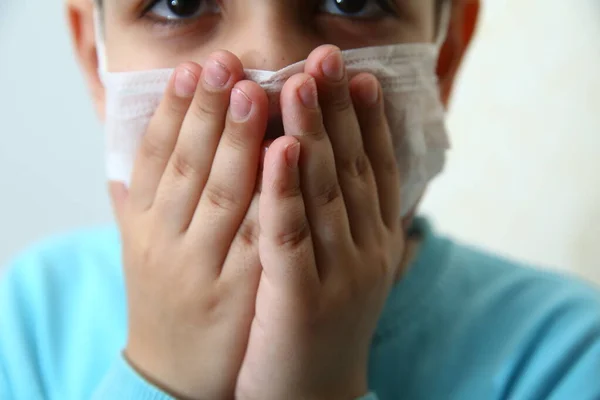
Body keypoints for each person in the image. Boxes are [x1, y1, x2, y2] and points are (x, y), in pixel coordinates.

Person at [1, 0, 599, 399]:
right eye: (178, 1)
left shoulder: (566, 354)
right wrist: (164, 375)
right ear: (92, 56)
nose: (269, 65)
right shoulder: (24, 324)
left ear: (443, 59)